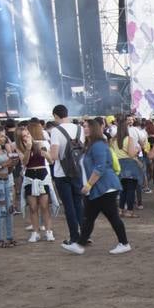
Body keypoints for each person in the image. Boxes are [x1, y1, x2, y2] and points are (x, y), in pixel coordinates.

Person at [61, 117, 132, 256]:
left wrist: (88, 184)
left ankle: (124, 243)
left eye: (87, 126)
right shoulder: (92, 145)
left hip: (104, 188)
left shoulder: (98, 145)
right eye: (84, 126)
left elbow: (100, 167)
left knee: (108, 217)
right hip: (99, 188)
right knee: (90, 217)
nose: (85, 128)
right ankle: (80, 244)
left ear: (94, 128)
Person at [47, 105, 87, 246]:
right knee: (79, 204)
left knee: (69, 206)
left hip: (61, 173)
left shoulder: (56, 131)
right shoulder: (79, 129)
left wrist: (45, 153)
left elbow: (54, 156)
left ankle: (74, 237)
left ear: (55, 116)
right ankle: (85, 234)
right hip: (77, 171)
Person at [21, 121, 54, 243]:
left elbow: (51, 161)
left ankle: (48, 231)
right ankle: (35, 232)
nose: (26, 137)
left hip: (42, 174)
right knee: (33, 207)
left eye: (27, 134)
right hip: (29, 175)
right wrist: (28, 149)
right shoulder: (21, 147)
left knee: (44, 206)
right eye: (24, 135)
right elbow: (24, 162)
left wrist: (46, 155)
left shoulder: (41, 144)